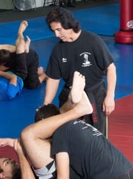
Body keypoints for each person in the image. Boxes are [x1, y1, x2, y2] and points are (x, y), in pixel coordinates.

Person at [0, 72, 90, 179]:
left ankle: (71, 104)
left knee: (41, 133)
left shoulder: (26, 172)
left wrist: (12, 142)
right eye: (7, 162)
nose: (11, 160)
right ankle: (76, 109)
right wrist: (21, 154)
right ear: (2, 175)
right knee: (29, 135)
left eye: (9, 159)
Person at [44, 7, 116, 136]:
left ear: (68, 24)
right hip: (70, 96)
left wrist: (110, 97)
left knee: (97, 136)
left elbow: (110, 68)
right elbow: (54, 78)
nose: (56, 35)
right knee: (66, 133)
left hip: (94, 93)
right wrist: (46, 104)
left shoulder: (93, 41)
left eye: (59, 29)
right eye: (53, 31)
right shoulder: (58, 50)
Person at [0, 20, 47, 90]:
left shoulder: (18, 58)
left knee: (32, 85)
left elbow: (21, 75)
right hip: (18, 52)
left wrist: (20, 32)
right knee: (18, 48)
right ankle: (37, 71)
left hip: (30, 60)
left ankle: (45, 74)